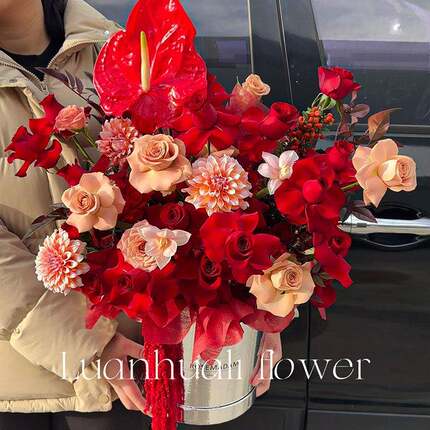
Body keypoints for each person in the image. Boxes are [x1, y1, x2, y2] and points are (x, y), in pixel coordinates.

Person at [0, 1, 281, 429]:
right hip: (23, 385)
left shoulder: (119, 49)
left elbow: (211, 174)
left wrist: (266, 307)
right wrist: (88, 344)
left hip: (132, 372)